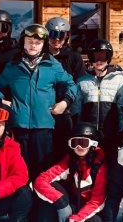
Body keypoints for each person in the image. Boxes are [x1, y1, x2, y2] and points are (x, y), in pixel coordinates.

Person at [0, 24, 78, 178]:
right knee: (19, 171)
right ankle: (22, 201)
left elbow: (71, 85)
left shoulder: (52, 65)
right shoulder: (13, 66)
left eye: (37, 43)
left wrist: (64, 103)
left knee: (42, 172)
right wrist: (1, 100)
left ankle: (41, 201)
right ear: (23, 42)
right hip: (19, 127)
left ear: (43, 44)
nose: (33, 45)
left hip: (44, 127)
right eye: (30, 41)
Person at [34, 122, 108, 222]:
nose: (79, 147)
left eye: (83, 143)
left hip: (89, 212)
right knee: (48, 201)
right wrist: (61, 202)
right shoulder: (70, 161)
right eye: (74, 143)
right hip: (72, 205)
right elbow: (41, 180)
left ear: (92, 144)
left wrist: (78, 218)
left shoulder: (99, 166)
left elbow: (97, 201)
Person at [74, 39, 123, 158]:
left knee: (109, 164)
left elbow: (122, 109)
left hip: (110, 133)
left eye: (102, 57)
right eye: (95, 57)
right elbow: (77, 110)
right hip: (89, 134)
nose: (99, 61)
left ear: (108, 58)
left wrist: (121, 132)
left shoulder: (118, 80)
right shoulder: (82, 81)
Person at [46, 17, 87, 161]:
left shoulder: (74, 58)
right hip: (46, 109)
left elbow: (79, 83)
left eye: (61, 36)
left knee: (65, 147)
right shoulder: (41, 56)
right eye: (52, 35)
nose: (56, 39)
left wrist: (66, 103)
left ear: (67, 37)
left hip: (67, 110)